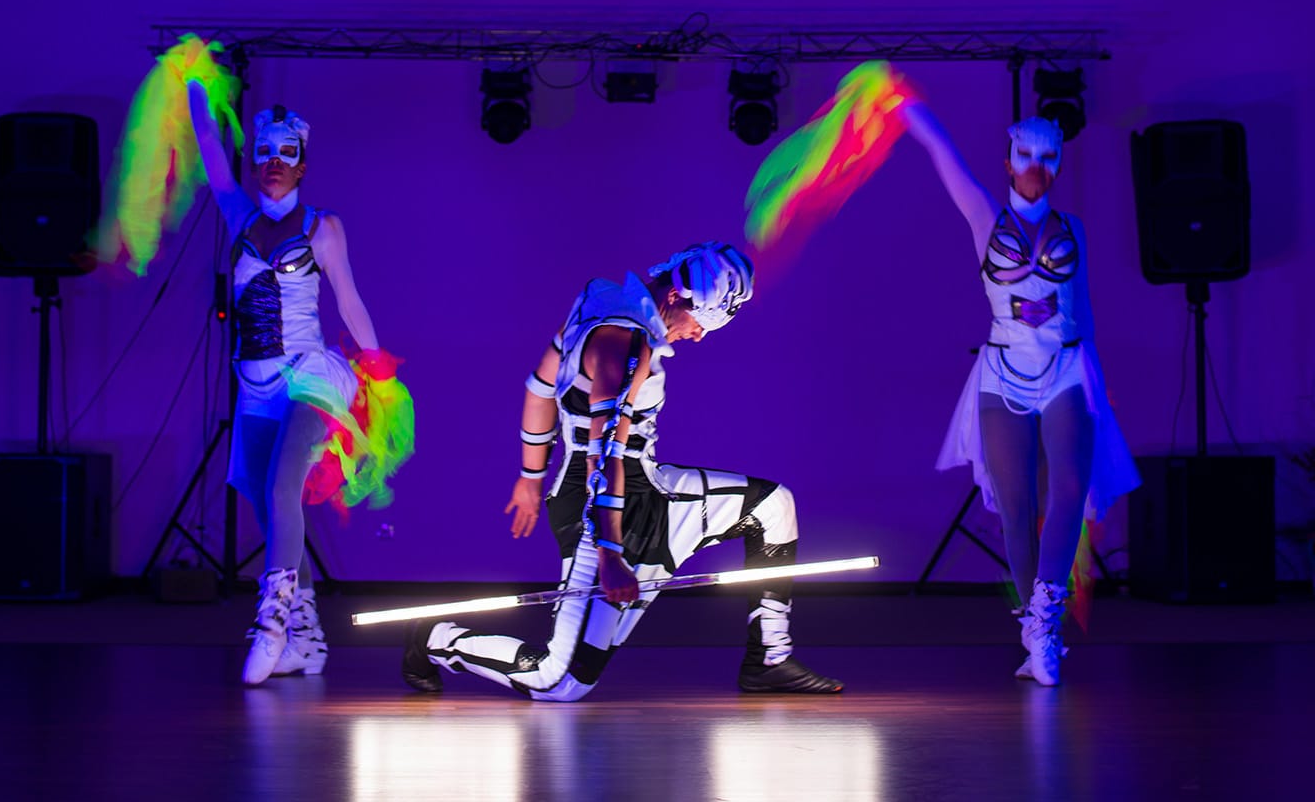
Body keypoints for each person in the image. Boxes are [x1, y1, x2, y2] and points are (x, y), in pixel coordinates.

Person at [401, 242, 842, 701]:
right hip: (602, 512)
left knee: (771, 505)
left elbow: (539, 389)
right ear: (675, 296)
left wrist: (531, 478)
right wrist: (610, 554)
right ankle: (435, 639)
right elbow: (605, 453)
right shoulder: (627, 342)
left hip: (650, 491)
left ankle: (769, 659)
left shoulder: (599, 302)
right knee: (560, 681)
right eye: (700, 322)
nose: (699, 336)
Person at [900, 101, 1139, 686]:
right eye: (1025, 155)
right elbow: (947, 162)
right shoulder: (985, 215)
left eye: (1048, 156)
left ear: (1058, 163)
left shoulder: (1073, 228)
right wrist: (907, 109)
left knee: (1068, 491)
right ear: (1008, 162)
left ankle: (1047, 626)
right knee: (1016, 505)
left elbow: (1084, 307)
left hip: (1066, 366)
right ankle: (1033, 633)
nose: (1036, 166)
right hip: (1003, 371)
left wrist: (1093, 376)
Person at [189, 84, 383, 685]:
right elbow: (210, 152)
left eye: (287, 152)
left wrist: (377, 366)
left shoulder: (323, 228)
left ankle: (271, 624)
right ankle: (307, 637)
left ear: (303, 163)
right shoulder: (238, 216)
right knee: (270, 511)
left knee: (281, 489)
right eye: (265, 152)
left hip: (309, 376)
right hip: (255, 383)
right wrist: (191, 83)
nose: (275, 161)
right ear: (254, 161)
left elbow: (348, 300)